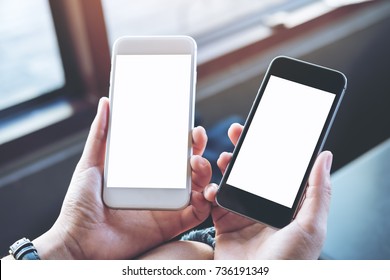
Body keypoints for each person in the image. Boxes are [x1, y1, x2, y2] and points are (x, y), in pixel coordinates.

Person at [2, 97, 333, 260]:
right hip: (210, 240)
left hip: (203, 239)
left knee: (209, 144)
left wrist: (69, 247)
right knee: (214, 142)